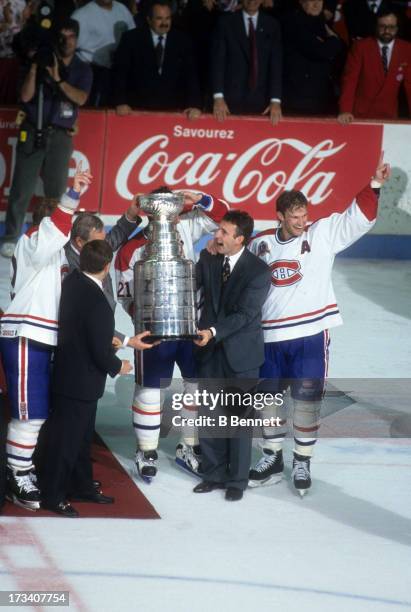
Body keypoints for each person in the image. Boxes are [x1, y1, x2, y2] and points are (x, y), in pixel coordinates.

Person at [247, 154, 391, 496]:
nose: (301, 221)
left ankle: (302, 460)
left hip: (310, 334)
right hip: (268, 338)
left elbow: (359, 218)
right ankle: (272, 456)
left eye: (304, 215)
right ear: (280, 216)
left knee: (306, 401)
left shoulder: (323, 234)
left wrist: (374, 187)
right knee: (268, 400)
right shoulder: (260, 244)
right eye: (294, 217)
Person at [114, 187, 229, 481]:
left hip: (191, 327)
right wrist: (151, 316)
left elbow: (226, 220)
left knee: (195, 388)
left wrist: (201, 198)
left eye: (175, 210)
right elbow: (125, 294)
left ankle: (187, 447)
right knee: (152, 391)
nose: (171, 217)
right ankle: (147, 450)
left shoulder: (188, 224)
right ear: (148, 211)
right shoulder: (131, 249)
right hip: (152, 331)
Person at [0, 167, 90, 511]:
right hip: (24, 335)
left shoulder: (51, 253)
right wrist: (72, 196)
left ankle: (21, 469)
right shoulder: (34, 240)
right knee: (28, 414)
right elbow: (54, 230)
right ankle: (16, 475)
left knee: (35, 413)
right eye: (68, 219)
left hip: (36, 337)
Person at [39, 241, 145, 518]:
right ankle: (54, 495)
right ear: (107, 266)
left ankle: (82, 485)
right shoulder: (97, 301)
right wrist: (118, 365)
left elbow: (86, 335)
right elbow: (98, 350)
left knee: (81, 438)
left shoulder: (72, 282)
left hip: (69, 376)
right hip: (81, 382)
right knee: (68, 442)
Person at [193, 210, 271, 501]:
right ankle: (213, 474)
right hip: (210, 351)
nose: (217, 236)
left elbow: (244, 315)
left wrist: (212, 331)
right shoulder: (209, 258)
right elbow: (193, 287)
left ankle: (237, 480)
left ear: (240, 239)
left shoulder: (259, 272)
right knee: (210, 415)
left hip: (241, 354)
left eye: (224, 232)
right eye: (218, 231)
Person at [0, 18, 92, 258]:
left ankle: (55, 239)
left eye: (71, 36)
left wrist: (58, 78)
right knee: (21, 188)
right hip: (32, 128)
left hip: (61, 134)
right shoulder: (40, 60)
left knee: (56, 191)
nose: (66, 41)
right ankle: (10, 237)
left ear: (77, 38)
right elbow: (26, 95)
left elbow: (81, 98)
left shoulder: (82, 68)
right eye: (62, 36)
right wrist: (34, 67)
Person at [65, 201, 145, 349]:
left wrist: (131, 213)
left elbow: (115, 236)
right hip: (84, 342)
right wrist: (126, 341)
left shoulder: (94, 246)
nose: (105, 247)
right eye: (100, 242)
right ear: (79, 242)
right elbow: (88, 320)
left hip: (104, 333)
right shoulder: (69, 269)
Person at [113, 0, 201, 118]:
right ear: (149, 20)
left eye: (167, 18)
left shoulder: (183, 40)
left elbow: (191, 76)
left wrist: (194, 105)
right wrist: (120, 101)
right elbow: (120, 73)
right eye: (159, 18)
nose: (164, 23)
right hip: (136, 110)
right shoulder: (131, 39)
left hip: (173, 110)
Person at [210, 0, 282, 125]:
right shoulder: (225, 23)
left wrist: (275, 100)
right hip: (229, 101)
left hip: (262, 101)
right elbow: (218, 62)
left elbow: (276, 65)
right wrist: (218, 97)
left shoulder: (272, 25)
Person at [338, 10, 411, 123]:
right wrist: (345, 110)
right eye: (382, 26)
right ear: (376, 26)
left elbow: (410, 85)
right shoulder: (361, 47)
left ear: (397, 28)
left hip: (389, 115)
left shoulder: (406, 49)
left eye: (391, 27)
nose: (387, 31)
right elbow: (350, 81)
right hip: (360, 115)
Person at [281, 0, 345, 115]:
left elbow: (338, 52)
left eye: (319, 0)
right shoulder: (292, 21)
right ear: (301, 2)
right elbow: (321, 51)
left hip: (321, 98)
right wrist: (334, 41)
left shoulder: (322, 23)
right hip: (298, 100)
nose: (316, 4)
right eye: (311, 0)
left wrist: (332, 44)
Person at [71, 0, 135, 106]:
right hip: (93, 74)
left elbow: (133, 37)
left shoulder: (122, 9)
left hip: (119, 72)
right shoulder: (81, 15)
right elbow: (70, 47)